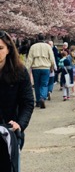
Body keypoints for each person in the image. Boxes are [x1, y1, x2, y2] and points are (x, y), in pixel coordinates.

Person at [0, 30, 34, 172]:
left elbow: (27, 102)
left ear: (8, 49)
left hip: (10, 132)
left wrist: (20, 124)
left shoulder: (19, 72)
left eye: (0, 48)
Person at [25, 33, 55, 109]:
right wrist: (52, 66)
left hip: (36, 68)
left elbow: (30, 59)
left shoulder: (33, 47)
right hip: (45, 68)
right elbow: (52, 58)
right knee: (44, 84)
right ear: (44, 38)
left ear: (37, 38)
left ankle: (38, 101)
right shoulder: (48, 46)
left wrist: (26, 69)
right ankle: (42, 97)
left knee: (37, 84)